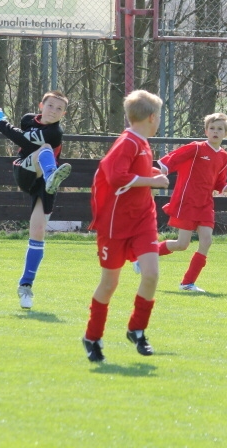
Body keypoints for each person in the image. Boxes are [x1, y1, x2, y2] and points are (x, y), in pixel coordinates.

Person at [82, 90, 170, 364]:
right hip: (114, 226)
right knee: (109, 284)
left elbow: (133, 177)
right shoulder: (127, 142)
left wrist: (151, 176)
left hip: (143, 219)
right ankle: (92, 337)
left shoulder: (143, 142)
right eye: (160, 117)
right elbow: (116, 176)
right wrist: (153, 181)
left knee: (151, 274)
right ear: (152, 117)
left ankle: (137, 329)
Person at [134, 112, 227, 292]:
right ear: (206, 131)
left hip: (206, 204)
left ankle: (187, 283)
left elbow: (220, 184)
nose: (215, 131)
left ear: (226, 133)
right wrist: (152, 173)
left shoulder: (224, 157)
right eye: (212, 128)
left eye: (219, 129)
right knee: (182, 244)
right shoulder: (196, 148)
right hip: (187, 202)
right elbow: (169, 161)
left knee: (207, 241)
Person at [0, 91, 73, 310]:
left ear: (64, 114)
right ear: (41, 105)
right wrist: (4, 123)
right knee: (43, 150)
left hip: (45, 184)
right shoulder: (27, 120)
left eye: (59, 109)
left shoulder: (55, 132)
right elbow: (22, 139)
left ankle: (25, 286)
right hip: (26, 170)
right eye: (51, 106)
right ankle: (51, 174)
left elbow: (20, 137)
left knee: (37, 234)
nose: (54, 111)